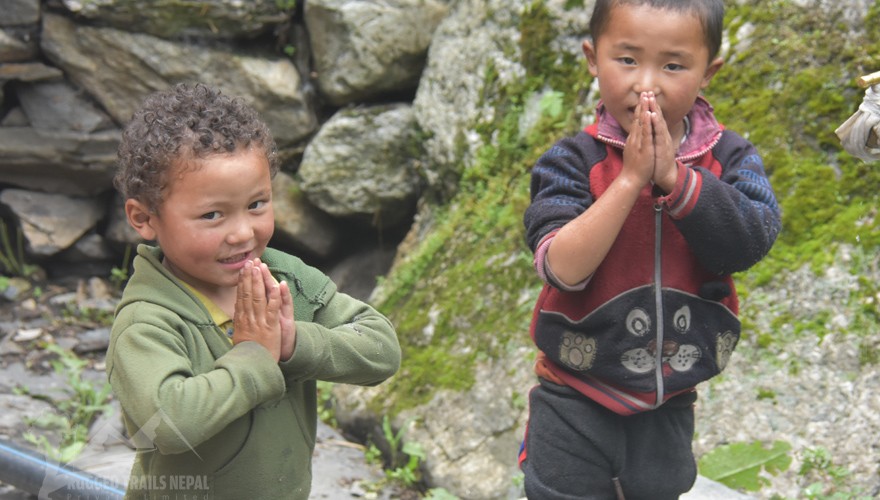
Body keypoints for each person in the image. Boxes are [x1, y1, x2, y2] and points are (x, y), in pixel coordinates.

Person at [518, 1, 781, 498]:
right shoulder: (572, 161)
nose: (646, 85)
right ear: (592, 58)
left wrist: (676, 180)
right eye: (627, 59)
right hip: (573, 392)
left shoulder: (731, 158)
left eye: (674, 65)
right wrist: (631, 180)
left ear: (709, 73)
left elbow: (749, 242)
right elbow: (561, 268)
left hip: (672, 399)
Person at [107, 82, 401, 499]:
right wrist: (255, 357)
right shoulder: (148, 321)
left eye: (257, 204)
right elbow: (170, 423)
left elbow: (381, 350)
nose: (243, 233)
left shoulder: (285, 279)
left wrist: (292, 341)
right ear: (144, 218)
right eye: (212, 215)